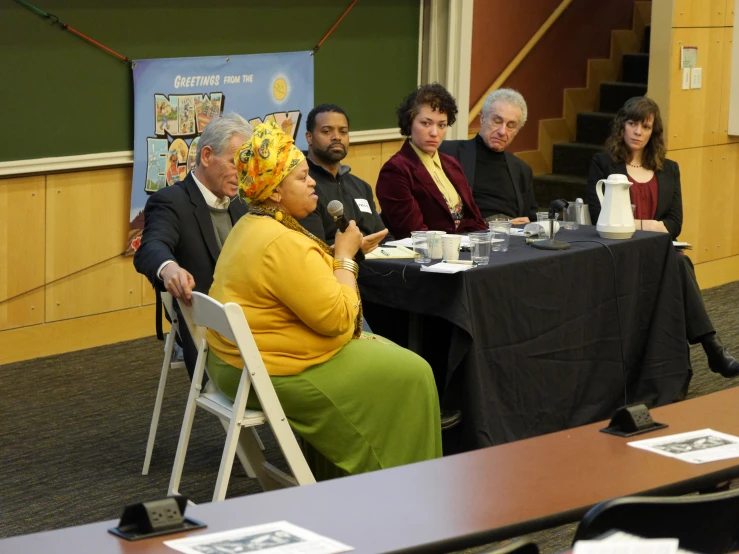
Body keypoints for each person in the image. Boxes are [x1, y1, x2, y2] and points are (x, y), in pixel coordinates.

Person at [206, 121, 442, 480]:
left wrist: (336, 253)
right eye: (302, 178)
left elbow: (295, 278)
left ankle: (344, 479)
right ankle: (402, 485)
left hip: (236, 362)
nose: (313, 181)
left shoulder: (252, 225)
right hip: (267, 372)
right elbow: (338, 321)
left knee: (393, 361)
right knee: (415, 373)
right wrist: (345, 258)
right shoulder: (279, 241)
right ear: (273, 193)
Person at [587, 96, 739, 378]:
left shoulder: (669, 169)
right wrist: (650, 224)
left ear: (653, 132)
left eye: (645, 127)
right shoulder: (603, 163)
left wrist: (639, 223)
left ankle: (710, 350)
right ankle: (713, 347)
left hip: (658, 253)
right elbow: (599, 215)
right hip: (620, 252)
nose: (637, 132)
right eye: (632, 124)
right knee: (681, 266)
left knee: (679, 263)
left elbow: (675, 223)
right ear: (622, 126)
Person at [134, 113, 252, 377]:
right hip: (213, 333)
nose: (242, 173)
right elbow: (151, 247)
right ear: (207, 156)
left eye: (247, 164)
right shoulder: (171, 201)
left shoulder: (244, 203)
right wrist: (169, 269)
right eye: (235, 163)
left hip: (256, 317)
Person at [376, 83, 487, 239]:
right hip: (424, 257)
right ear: (409, 123)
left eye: (442, 125)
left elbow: (475, 219)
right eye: (426, 123)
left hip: (463, 250)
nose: (434, 133)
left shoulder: (451, 163)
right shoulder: (395, 170)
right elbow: (413, 232)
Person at [298, 104, 389, 253]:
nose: (337, 137)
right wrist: (355, 250)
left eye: (343, 131)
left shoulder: (361, 186)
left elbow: (382, 236)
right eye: (327, 131)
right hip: (332, 270)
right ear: (310, 137)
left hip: (376, 267)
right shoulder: (303, 187)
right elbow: (312, 253)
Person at [439, 88, 537, 223]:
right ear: (482, 118)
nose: (502, 131)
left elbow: (531, 218)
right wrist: (495, 226)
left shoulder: (522, 170)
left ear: (517, 131)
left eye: (511, 125)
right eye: (497, 121)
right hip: (471, 236)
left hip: (513, 238)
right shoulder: (448, 152)